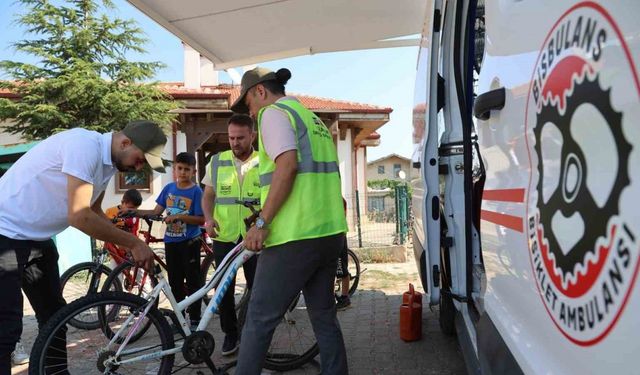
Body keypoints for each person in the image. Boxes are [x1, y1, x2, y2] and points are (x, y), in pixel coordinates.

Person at [0, 120, 165, 373]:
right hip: (5, 233)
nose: (139, 167)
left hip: (37, 239)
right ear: (125, 142)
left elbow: (94, 210)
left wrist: (122, 240)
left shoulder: (108, 164)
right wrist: (133, 242)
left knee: (55, 318)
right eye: (141, 159)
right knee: (6, 327)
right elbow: (79, 215)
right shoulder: (84, 146)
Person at [231, 67, 349, 374]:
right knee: (323, 316)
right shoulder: (313, 120)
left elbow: (287, 168)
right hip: (329, 233)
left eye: (249, 105)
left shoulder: (273, 113)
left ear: (260, 91)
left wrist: (261, 223)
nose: (251, 113)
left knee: (259, 320)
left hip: (294, 236)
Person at [201, 113, 260, 356]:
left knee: (258, 288)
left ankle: (253, 334)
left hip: (256, 236)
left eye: (240, 138)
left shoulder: (265, 161)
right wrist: (208, 218)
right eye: (231, 137)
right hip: (225, 235)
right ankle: (230, 334)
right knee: (224, 289)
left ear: (252, 136)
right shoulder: (216, 161)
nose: (235, 142)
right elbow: (208, 196)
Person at [134, 152, 205, 329]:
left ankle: (195, 318)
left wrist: (180, 216)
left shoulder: (196, 191)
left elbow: (201, 219)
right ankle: (179, 319)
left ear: (193, 171)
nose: (182, 172)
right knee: (175, 282)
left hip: (190, 242)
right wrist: (134, 212)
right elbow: (156, 212)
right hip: (171, 242)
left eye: (186, 169)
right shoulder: (168, 189)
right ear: (174, 170)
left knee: (193, 280)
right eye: (179, 168)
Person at [336, 198, 351, 310]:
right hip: (332, 235)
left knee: (341, 269)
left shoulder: (339, 200)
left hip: (338, 234)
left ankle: (345, 298)